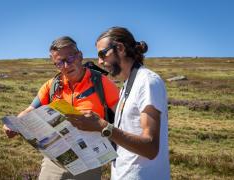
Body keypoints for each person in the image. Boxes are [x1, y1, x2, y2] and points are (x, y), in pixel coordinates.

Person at [3, 36, 120, 180]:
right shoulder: (52, 85)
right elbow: (30, 110)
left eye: (69, 59)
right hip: (55, 160)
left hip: (90, 159)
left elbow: (123, 117)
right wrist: (14, 124)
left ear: (80, 56)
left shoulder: (102, 83)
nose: (66, 66)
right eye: (59, 62)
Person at [67, 27, 170, 180]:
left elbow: (150, 147)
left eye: (103, 54)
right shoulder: (127, 85)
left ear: (120, 48)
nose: (100, 62)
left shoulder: (147, 82)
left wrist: (103, 127)